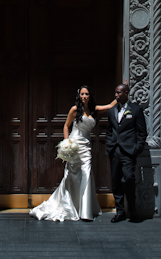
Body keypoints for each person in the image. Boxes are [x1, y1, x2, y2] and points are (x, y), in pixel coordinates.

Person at [29, 85, 118, 222]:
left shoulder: (94, 109)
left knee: (86, 173)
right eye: (82, 94)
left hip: (86, 146)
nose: (84, 96)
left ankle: (86, 211)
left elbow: (110, 106)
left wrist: (123, 90)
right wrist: (67, 144)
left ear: (90, 95)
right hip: (74, 144)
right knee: (71, 175)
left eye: (86, 94)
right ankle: (71, 206)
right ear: (79, 95)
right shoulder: (74, 109)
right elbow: (66, 125)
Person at [105, 82, 147, 223]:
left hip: (129, 151)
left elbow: (142, 132)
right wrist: (110, 144)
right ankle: (120, 212)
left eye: (119, 93)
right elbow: (110, 130)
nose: (116, 95)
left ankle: (133, 210)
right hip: (114, 151)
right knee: (116, 181)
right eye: (115, 93)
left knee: (129, 178)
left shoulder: (135, 110)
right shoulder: (112, 111)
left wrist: (137, 149)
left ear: (126, 93)